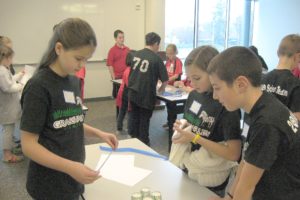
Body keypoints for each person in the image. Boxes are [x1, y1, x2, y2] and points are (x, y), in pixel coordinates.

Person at [20, 18, 118, 200]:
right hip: (48, 184)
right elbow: (28, 145)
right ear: (59, 49)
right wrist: (71, 167)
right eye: (78, 58)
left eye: (86, 60)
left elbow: (69, 122)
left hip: (72, 179)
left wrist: (99, 133)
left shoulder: (72, 80)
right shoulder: (39, 87)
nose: (82, 65)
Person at [208, 46, 300, 200]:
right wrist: (230, 196)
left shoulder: (267, 123)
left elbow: (246, 187)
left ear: (241, 84)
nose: (215, 96)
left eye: (217, 88)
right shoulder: (258, 105)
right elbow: (247, 158)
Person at [169, 46, 241, 196]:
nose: (192, 83)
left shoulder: (227, 104)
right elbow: (193, 123)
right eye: (189, 79)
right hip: (188, 168)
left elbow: (233, 154)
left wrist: (195, 137)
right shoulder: (194, 95)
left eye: (197, 78)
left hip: (210, 177)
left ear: (214, 74)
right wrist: (183, 127)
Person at [127, 32, 168, 145]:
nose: (158, 47)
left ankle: (134, 140)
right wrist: (161, 90)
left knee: (134, 117)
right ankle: (144, 143)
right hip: (146, 94)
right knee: (144, 121)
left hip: (133, 91)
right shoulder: (156, 58)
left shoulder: (135, 54)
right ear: (155, 43)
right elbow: (165, 79)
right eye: (158, 45)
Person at [261, 34, 300, 121]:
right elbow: (297, 118)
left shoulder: (261, 80)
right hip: (282, 133)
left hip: (260, 132)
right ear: (297, 56)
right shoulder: (296, 85)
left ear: (278, 52)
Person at [0, 44, 24, 163]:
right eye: (11, 58)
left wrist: (19, 75)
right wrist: (20, 86)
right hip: (6, 108)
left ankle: (9, 148)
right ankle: (7, 155)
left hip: (8, 106)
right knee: (8, 130)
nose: (12, 61)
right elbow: (7, 87)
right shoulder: (1, 71)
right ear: (5, 58)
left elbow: (10, 81)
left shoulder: (4, 69)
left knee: (9, 129)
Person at [116, 50, 136, 134]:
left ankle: (119, 127)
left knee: (122, 111)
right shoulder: (130, 71)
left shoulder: (127, 69)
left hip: (123, 93)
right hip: (127, 93)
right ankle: (129, 129)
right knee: (129, 111)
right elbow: (129, 84)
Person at [106, 29, 130, 98]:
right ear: (115, 39)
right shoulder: (112, 50)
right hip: (117, 77)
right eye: (120, 37)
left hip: (126, 77)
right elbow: (110, 65)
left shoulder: (127, 49)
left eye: (123, 37)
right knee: (118, 97)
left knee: (126, 96)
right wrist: (113, 78)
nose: (122, 39)